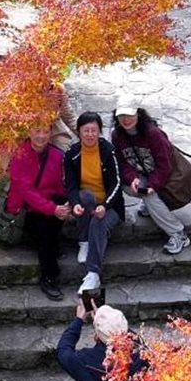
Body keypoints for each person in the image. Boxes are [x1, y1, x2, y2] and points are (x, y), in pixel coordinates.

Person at [111, 94, 191, 255]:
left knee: (150, 196)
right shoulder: (117, 135)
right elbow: (122, 162)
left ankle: (178, 233)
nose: (126, 119)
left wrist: (153, 186)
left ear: (138, 114)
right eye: (121, 116)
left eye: (129, 115)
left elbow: (165, 165)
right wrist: (132, 178)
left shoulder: (153, 134)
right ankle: (152, 206)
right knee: (130, 188)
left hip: (166, 176)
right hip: (142, 174)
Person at [63, 110, 124, 295]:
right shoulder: (72, 153)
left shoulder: (108, 152)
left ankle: (93, 274)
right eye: (86, 130)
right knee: (86, 197)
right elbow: (71, 185)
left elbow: (117, 183)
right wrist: (74, 203)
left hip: (110, 206)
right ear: (79, 132)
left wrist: (105, 206)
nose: (90, 134)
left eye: (94, 130)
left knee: (98, 222)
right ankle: (84, 241)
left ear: (99, 132)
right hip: (86, 201)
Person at [7, 125, 70, 300]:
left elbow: (59, 185)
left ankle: (51, 244)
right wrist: (53, 209)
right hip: (25, 210)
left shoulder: (56, 155)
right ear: (29, 132)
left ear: (51, 133)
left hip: (47, 206)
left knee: (56, 207)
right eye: (37, 131)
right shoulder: (20, 155)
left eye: (46, 131)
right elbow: (26, 192)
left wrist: (66, 205)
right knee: (44, 230)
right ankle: (49, 276)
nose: (41, 136)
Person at [56, 299, 148, 381]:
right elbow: (141, 344)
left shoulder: (85, 360)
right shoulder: (140, 355)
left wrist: (78, 319)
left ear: (97, 335)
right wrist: (115, 326)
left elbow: (63, 351)